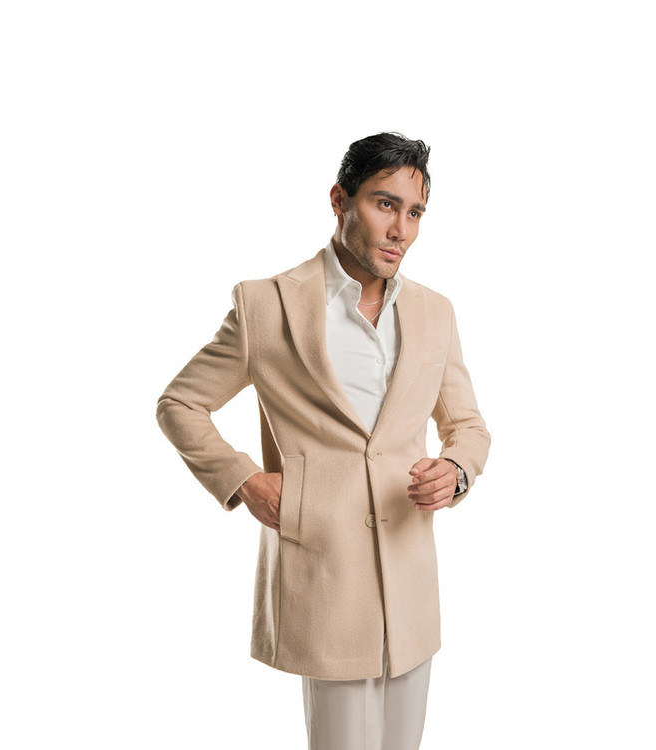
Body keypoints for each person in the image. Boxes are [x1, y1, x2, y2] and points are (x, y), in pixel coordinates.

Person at [156, 132, 490, 750]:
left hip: (410, 581)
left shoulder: (435, 312)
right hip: (323, 572)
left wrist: (457, 470)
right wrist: (243, 480)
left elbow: (467, 426)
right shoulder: (267, 305)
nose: (401, 230)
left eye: (415, 212)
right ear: (340, 200)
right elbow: (180, 403)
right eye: (385, 204)